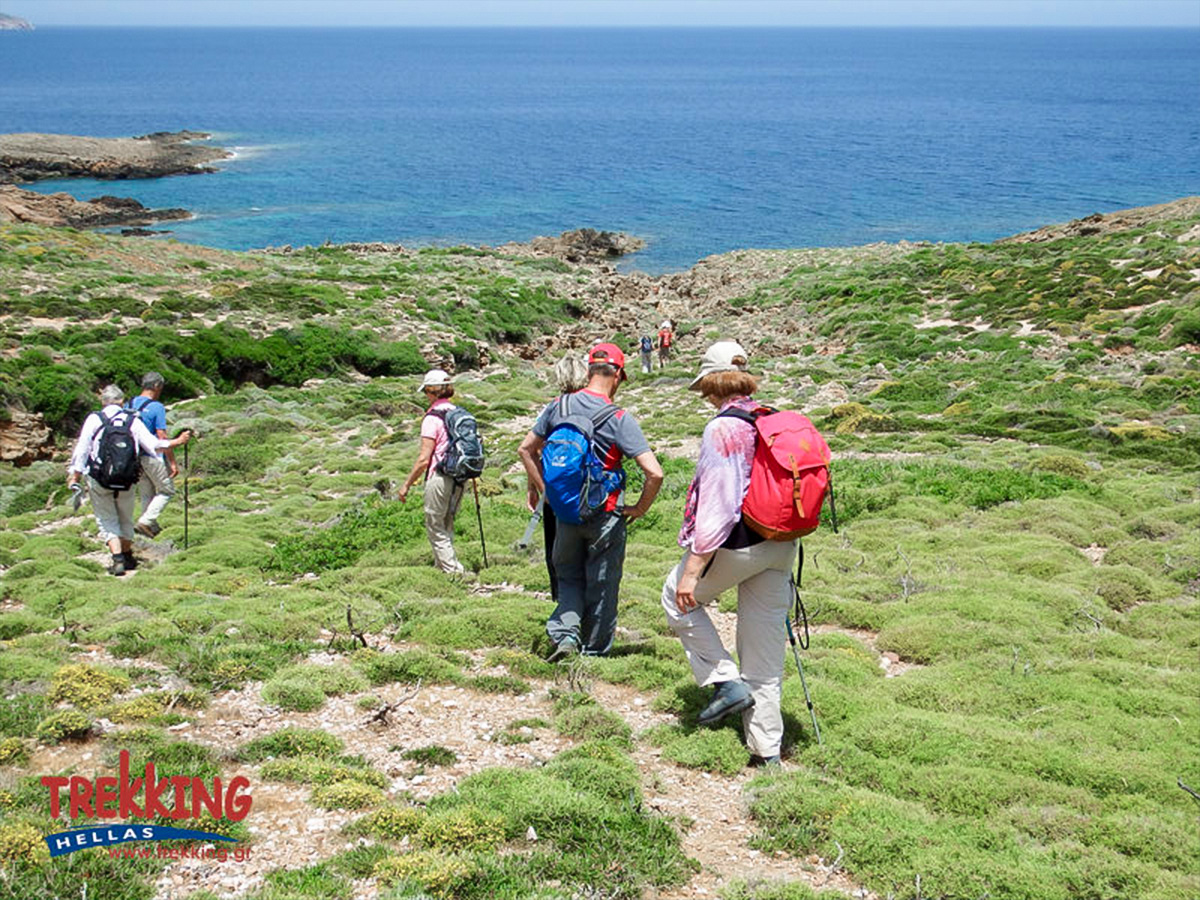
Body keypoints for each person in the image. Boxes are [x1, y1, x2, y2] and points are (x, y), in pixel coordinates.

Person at [660, 341, 795, 766]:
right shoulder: (769, 417)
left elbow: (718, 505)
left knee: (675, 599)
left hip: (739, 544)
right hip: (781, 543)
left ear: (711, 385)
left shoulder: (723, 428)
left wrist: (693, 571)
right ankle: (767, 752)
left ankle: (724, 682)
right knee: (764, 651)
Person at [518, 343, 664, 659]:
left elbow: (525, 450)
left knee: (568, 576)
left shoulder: (559, 406)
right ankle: (594, 653)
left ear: (589, 371)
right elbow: (655, 474)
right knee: (603, 583)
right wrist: (639, 508)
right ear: (619, 376)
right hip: (605, 515)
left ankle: (566, 636)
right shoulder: (619, 418)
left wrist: (543, 489)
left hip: (565, 512)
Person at [67, 384, 192, 576]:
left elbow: (82, 448)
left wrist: (75, 474)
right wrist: (177, 442)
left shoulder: (95, 418)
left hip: (99, 479)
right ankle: (127, 556)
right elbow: (153, 445)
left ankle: (118, 559)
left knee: (107, 519)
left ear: (103, 401)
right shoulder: (132, 420)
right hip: (127, 478)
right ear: (122, 401)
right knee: (126, 518)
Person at [399, 369, 466, 575]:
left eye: (426, 392)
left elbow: (423, 459)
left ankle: (454, 573)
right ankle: (442, 569)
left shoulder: (432, 418)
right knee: (447, 523)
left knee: (435, 526)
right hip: (460, 476)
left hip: (439, 476)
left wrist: (406, 484)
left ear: (431, 391)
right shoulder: (459, 413)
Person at [541, 353, 590, 603]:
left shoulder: (552, 407)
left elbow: (527, 449)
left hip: (556, 492)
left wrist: (540, 489)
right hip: (588, 491)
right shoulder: (594, 404)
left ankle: (562, 602)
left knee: (557, 551)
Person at [129, 371, 177, 538]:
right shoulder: (157, 407)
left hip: (133, 457)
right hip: (151, 455)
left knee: (146, 492)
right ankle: (146, 521)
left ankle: (151, 529)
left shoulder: (129, 404)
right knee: (167, 490)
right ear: (157, 386)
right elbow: (162, 436)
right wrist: (171, 461)